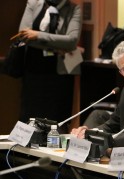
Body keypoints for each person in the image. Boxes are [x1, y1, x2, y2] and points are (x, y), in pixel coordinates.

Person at [17, 0, 82, 132]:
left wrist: (38, 35)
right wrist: (58, 45)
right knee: (29, 117)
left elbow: (71, 41)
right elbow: (23, 35)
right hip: (34, 69)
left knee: (57, 120)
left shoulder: (74, 9)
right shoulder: (33, 3)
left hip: (60, 73)